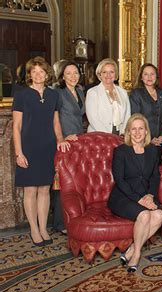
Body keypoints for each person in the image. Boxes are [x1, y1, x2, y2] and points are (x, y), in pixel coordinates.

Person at [12, 56, 70, 247]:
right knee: (30, 190)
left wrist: (60, 139)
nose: (38, 75)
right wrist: (19, 153)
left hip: (47, 147)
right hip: (28, 147)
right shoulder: (21, 95)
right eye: (34, 71)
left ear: (47, 74)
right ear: (29, 74)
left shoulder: (54, 96)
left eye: (41, 71)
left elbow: (55, 122)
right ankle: (34, 229)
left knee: (45, 189)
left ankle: (43, 227)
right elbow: (16, 126)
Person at [108, 114, 162, 273]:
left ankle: (133, 248)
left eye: (141, 128)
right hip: (123, 196)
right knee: (145, 215)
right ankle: (137, 254)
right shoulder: (120, 151)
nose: (137, 132)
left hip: (146, 195)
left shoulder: (152, 150)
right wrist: (140, 200)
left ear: (146, 131)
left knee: (158, 215)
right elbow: (120, 180)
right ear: (128, 132)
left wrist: (151, 195)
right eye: (134, 129)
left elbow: (155, 177)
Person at [53, 60, 86, 234]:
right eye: (69, 73)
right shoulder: (58, 93)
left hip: (79, 142)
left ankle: (73, 217)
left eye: (76, 73)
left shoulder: (80, 91)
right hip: (65, 143)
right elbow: (54, 117)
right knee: (62, 182)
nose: (73, 76)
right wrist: (62, 137)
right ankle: (59, 223)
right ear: (62, 76)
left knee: (75, 182)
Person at [130, 63, 162, 162]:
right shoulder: (136, 94)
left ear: (156, 77)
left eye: (152, 74)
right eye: (146, 74)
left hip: (160, 142)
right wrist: (148, 138)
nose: (149, 77)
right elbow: (136, 118)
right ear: (141, 77)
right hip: (143, 141)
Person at [86, 58, 130, 135]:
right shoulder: (92, 93)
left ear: (116, 74)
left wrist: (123, 133)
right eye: (104, 72)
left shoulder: (123, 92)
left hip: (120, 134)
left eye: (111, 72)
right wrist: (108, 136)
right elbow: (93, 119)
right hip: (99, 135)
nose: (108, 75)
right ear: (100, 74)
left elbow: (127, 115)